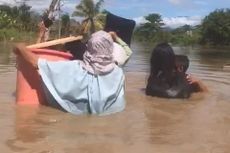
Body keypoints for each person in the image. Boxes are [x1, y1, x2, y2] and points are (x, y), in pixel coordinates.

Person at [14, 30, 132, 115]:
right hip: (110, 116)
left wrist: (21, 47)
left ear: (89, 47)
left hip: (74, 117)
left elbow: (36, 63)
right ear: (110, 48)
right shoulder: (118, 73)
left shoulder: (73, 68)